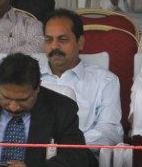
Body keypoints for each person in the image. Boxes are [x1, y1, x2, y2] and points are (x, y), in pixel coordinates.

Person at [41, 9, 123, 149]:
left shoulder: (105, 81)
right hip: (31, 158)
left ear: (80, 43)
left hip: (80, 156)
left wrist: (67, 145)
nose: (54, 46)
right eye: (49, 40)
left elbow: (110, 131)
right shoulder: (30, 79)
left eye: (63, 39)